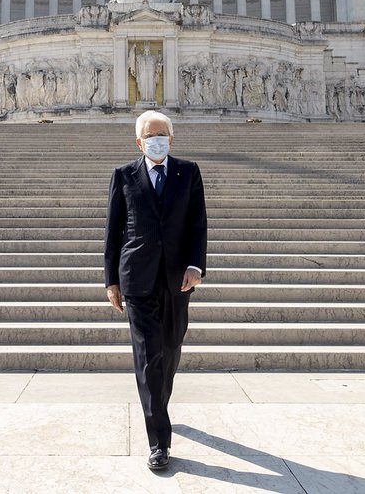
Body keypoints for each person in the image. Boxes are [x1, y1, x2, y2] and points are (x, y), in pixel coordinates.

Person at [104, 110, 207, 472]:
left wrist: (196, 266)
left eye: (162, 134)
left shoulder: (189, 172)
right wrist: (110, 281)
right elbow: (113, 232)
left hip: (178, 278)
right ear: (139, 142)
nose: (157, 139)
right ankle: (159, 442)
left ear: (171, 139)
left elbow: (198, 222)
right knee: (149, 358)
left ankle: (158, 406)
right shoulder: (123, 175)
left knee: (171, 348)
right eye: (150, 135)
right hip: (138, 280)